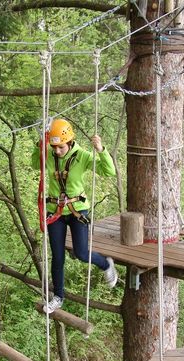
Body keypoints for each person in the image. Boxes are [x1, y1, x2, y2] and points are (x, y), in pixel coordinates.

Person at [32, 118, 118, 313]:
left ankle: (105, 264)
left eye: (60, 147)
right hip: (56, 211)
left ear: (69, 142)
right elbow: (34, 163)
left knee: (81, 252)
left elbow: (109, 172)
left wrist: (101, 150)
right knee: (57, 256)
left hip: (77, 210)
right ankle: (58, 297)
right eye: (54, 147)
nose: (56, 151)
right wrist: (40, 147)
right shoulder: (49, 153)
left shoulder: (82, 156)